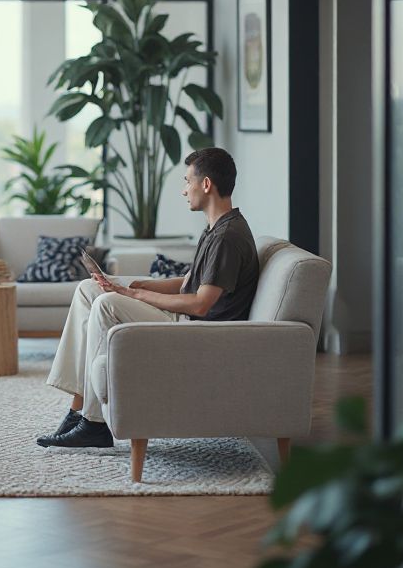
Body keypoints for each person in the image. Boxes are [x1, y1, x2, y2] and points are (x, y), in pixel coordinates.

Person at [37, 147, 260, 449]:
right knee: (88, 290)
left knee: (105, 304)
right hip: (186, 316)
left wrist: (135, 293)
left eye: (187, 181)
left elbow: (200, 303)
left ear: (206, 184)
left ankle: (94, 423)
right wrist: (138, 283)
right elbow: (188, 282)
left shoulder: (226, 237)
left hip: (198, 330)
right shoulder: (216, 228)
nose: (184, 190)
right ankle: (78, 407)